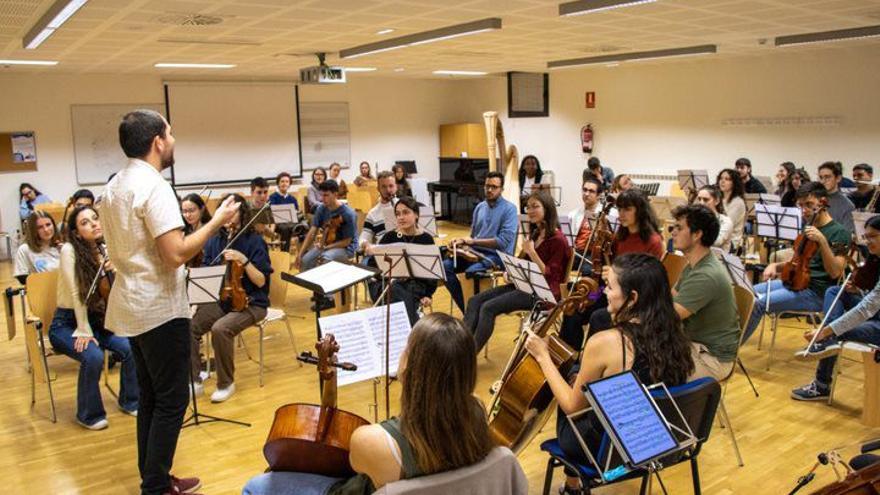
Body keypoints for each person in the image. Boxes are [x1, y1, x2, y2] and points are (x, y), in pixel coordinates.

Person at [99, 109, 238, 495]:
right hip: (158, 308)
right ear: (158, 141)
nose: (174, 141)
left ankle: (154, 478)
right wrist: (216, 221)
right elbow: (174, 253)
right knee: (172, 401)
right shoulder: (154, 186)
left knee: (151, 396)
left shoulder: (112, 186)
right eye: (171, 134)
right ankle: (156, 487)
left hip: (132, 304)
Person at [242, 313, 497, 495]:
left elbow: (339, 471)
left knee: (257, 486)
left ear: (410, 368)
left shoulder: (372, 441)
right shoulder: (476, 411)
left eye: (406, 348)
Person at [524, 254, 694, 495]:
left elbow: (573, 407)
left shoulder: (605, 342)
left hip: (610, 454)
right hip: (658, 442)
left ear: (632, 298)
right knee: (580, 376)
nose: (603, 291)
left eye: (611, 286)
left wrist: (543, 357)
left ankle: (572, 486)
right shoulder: (675, 335)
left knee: (569, 381)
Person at [47, 205, 139, 430]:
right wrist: (84, 329)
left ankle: (130, 400)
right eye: (85, 222)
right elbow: (77, 294)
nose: (93, 224)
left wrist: (116, 272)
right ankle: (88, 414)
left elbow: (115, 294)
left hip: (98, 320)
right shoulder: (69, 250)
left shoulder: (105, 249)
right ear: (77, 233)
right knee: (94, 356)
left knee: (130, 347)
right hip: (67, 323)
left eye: (94, 219)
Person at [558, 188, 664, 349]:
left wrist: (617, 274)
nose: (621, 214)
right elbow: (601, 271)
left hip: (631, 299)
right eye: (619, 209)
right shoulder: (619, 237)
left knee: (598, 317)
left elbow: (647, 281)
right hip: (603, 291)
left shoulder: (654, 242)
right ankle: (567, 358)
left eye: (627, 209)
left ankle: (590, 363)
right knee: (574, 307)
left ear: (640, 211)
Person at [463, 192, 569, 353]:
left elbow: (550, 275)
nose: (530, 211)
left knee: (488, 308)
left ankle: (469, 356)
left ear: (547, 209)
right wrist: (511, 273)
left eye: (535, 207)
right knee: (474, 301)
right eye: (528, 207)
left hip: (543, 293)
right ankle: (460, 347)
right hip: (525, 285)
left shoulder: (558, 239)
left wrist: (532, 252)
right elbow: (523, 264)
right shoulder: (536, 234)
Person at [190, 194, 271, 403]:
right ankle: (195, 379)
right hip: (224, 300)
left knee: (220, 329)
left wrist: (243, 260)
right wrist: (197, 301)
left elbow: (261, 281)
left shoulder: (254, 241)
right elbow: (207, 272)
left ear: (242, 213)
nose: (228, 215)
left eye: (233, 210)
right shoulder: (215, 241)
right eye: (224, 209)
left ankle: (226, 383)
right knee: (189, 325)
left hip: (252, 303)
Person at [747, 182, 850, 343]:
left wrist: (822, 241)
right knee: (747, 294)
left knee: (758, 304)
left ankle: (730, 352)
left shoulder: (840, 232)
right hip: (795, 282)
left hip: (817, 292)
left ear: (822, 202)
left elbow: (835, 272)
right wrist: (775, 265)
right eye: (801, 205)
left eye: (809, 205)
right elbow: (798, 261)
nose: (804, 210)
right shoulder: (808, 227)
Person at [791, 214, 880, 401]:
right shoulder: (875, 259)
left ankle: (821, 384)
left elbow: (867, 309)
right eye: (866, 237)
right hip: (875, 313)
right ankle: (827, 341)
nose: (868, 242)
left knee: (837, 331)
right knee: (835, 291)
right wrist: (858, 290)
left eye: (873, 237)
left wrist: (826, 331)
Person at [670, 204, 740, 380]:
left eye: (679, 228)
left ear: (697, 235)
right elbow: (672, 296)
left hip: (712, 358)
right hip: (694, 344)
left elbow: (670, 315)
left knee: (643, 366)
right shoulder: (694, 264)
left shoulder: (705, 274)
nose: (673, 232)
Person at [442, 172, 518, 314]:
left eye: (494, 187)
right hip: (475, 252)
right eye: (487, 186)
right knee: (445, 267)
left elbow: (502, 242)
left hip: (497, 256)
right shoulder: (480, 207)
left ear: (501, 189)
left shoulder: (510, 209)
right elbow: (473, 236)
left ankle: (475, 310)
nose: (489, 190)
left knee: (473, 271)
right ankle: (467, 310)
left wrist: (471, 241)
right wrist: (460, 242)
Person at [366, 197, 437, 325]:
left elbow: (432, 274)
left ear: (416, 214)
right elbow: (372, 265)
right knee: (396, 289)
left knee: (398, 294)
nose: (401, 217)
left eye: (406, 212)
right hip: (387, 284)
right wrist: (389, 275)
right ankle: (415, 329)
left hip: (414, 286)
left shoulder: (426, 239)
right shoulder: (390, 236)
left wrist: (429, 295)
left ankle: (404, 329)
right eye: (398, 214)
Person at [295, 179, 359, 310]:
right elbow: (312, 232)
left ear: (335, 194)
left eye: (326, 195)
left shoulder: (348, 213)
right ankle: (320, 290)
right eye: (321, 195)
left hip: (346, 248)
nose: (322, 199)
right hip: (327, 244)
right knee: (306, 261)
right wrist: (300, 254)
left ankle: (329, 297)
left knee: (325, 258)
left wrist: (326, 248)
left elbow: (347, 241)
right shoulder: (321, 209)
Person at [14, 210, 62, 284]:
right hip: (40, 291)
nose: (46, 230)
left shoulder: (63, 246)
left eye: (48, 225)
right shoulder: (25, 249)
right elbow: (22, 278)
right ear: (34, 230)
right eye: (40, 227)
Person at [568, 177, 603, 276]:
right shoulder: (573, 214)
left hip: (591, 253)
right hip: (575, 251)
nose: (586, 194)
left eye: (591, 191)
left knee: (587, 271)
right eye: (585, 190)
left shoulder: (605, 214)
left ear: (598, 195)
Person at [358, 171, 398, 257]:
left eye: (391, 186)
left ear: (396, 187)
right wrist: (366, 245)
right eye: (383, 187)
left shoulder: (405, 207)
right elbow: (363, 238)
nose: (388, 190)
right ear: (378, 189)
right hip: (382, 254)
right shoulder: (373, 213)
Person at [817, 161, 856, 234]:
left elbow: (845, 235)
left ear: (838, 178)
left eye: (827, 177)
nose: (822, 181)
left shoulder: (848, 205)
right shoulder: (816, 199)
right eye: (821, 177)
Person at [695, 185, 734, 252]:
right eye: (699, 199)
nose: (701, 203)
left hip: (717, 260)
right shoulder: (694, 218)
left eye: (706, 200)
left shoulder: (726, 221)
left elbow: (716, 242)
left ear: (717, 201)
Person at [269, 172, 301, 251]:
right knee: (285, 229)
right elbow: (272, 212)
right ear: (278, 183)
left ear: (289, 184)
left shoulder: (292, 199)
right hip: (278, 223)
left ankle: (302, 253)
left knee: (302, 227)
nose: (284, 184)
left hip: (291, 222)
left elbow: (296, 212)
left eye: (287, 182)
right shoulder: (273, 197)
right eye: (282, 181)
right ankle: (285, 252)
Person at [717, 168, 747, 251]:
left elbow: (726, 225)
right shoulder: (719, 198)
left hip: (731, 242)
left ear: (734, 183)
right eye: (721, 178)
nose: (722, 181)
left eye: (727, 179)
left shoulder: (738, 202)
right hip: (719, 236)